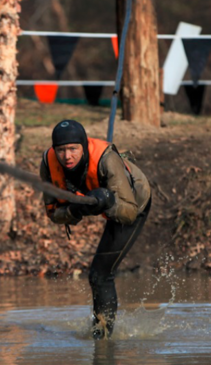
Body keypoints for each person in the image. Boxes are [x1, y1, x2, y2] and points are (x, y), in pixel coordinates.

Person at [40, 119, 152, 339]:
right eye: (61, 150)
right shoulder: (48, 163)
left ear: (83, 146)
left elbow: (128, 213)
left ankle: (102, 338)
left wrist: (107, 201)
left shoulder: (107, 160)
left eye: (73, 149)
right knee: (98, 275)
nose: (67, 156)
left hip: (134, 202)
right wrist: (76, 210)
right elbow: (54, 214)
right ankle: (100, 335)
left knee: (100, 275)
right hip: (99, 201)